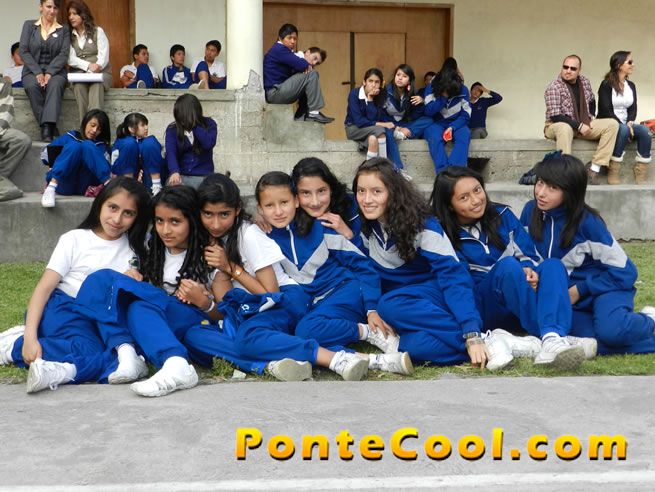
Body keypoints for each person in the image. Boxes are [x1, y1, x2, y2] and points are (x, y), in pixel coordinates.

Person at [430, 166, 593, 370]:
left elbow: (530, 255)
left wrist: (529, 269)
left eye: (477, 190)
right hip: (484, 306)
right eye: (464, 198)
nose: (476, 200)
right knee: (507, 267)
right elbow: (458, 283)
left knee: (552, 265)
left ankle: (552, 338)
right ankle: (555, 336)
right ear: (450, 205)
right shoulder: (440, 233)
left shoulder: (502, 214)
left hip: (520, 297)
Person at [353, 158, 509, 370]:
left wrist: (471, 331)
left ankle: (479, 339)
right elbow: (367, 271)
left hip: (442, 299)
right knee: (413, 347)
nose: (367, 199)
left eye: (376, 191)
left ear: (394, 192)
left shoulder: (422, 224)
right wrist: (371, 309)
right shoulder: (365, 225)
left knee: (390, 305)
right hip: (415, 310)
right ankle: (498, 343)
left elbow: (453, 277)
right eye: (361, 191)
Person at [0, 177, 151, 394]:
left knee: (118, 354)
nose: (117, 219)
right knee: (92, 352)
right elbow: (43, 289)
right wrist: (30, 338)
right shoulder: (75, 239)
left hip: (100, 319)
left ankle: (60, 369)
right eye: (112, 207)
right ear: (100, 203)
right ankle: (13, 346)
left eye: (128, 213)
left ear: (137, 217)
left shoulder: (135, 248)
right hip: (64, 306)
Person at [74, 186, 220, 397]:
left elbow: (223, 313)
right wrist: (133, 277)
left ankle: (172, 362)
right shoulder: (151, 248)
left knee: (130, 300)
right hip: (154, 319)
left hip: (188, 318)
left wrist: (204, 303)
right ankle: (127, 352)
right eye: (159, 221)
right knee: (105, 287)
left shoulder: (210, 255)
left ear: (192, 221)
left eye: (175, 222)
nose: (165, 230)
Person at [520, 152, 655, 355]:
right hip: (564, 296)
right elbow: (523, 254)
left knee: (612, 332)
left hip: (605, 288)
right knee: (583, 337)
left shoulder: (589, 223)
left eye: (552, 188)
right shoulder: (530, 212)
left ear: (571, 191)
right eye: (540, 183)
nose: (541, 193)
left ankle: (649, 320)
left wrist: (580, 289)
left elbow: (626, 272)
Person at [543, 54, 619, 185]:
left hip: (581, 123)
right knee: (564, 127)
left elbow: (592, 100)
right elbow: (555, 116)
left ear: (579, 70)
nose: (568, 71)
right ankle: (565, 174)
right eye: (565, 67)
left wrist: (590, 117)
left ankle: (594, 169)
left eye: (573, 68)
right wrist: (579, 126)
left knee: (612, 124)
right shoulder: (554, 87)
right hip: (555, 126)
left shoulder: (584, 81)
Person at [19, 0, 71, 142]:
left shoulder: (64, 29)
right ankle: (49, 126)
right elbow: (23, 51)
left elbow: (64, 54)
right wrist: (38, 72)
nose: (52, 11)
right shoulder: (29, 25)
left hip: (56, 71)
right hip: (32, 70)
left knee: (55, 84)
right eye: (48, 6)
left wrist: (49, 73)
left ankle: (46, 127)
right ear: (40, 7)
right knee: (32, 86)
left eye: (55, 7)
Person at [597, 51, 651, 185]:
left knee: (645, 132)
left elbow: (633, 108)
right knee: (623, 130)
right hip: (610, 122)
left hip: (627, 123)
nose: (633, 65)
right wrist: (623, 126)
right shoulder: (606, 84)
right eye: (630, 62)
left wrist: (630, 122)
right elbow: (605, 109)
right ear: (619, 65)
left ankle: (641, 170)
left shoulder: (631, 85)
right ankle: (613, 169)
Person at [263, 23, 333, 124]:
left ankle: (302, 115)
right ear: (280, 38)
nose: (293, 41)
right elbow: (301, 64)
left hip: (278, 91)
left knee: (307, 79)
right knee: (312, 74)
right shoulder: (279, 49)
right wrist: (306, 66)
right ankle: (313, 112)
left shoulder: (285, 51)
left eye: (295, 39)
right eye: (289, 38)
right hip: (274, 93)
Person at [41, 109, 111, 208]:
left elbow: (107, 167)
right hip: (64, 183)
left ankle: (111, 188)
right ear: (85, 122)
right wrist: (59, 159)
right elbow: (44, 156)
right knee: (75, 146)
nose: (94, 130)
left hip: (86, 185)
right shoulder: (70, 136)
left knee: (87, 145)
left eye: (99, 129)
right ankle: (50, 189)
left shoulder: (101, 146)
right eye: (92, 125)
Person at [345, 68, 404, 176]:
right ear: (364, 82)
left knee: (373, 140)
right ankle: (385, 169)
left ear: (380, 84)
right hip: (353, 128)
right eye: (370, 81)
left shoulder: (380, 95)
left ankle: (367, 172)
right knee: (381, 131)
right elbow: (359, 121)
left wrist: (370, 99)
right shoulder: (354, 94)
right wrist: (383, 124)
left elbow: (372, 119)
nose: (373, 85)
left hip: (370, 130)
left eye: (377, 82)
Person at [66, 0, 112, 122]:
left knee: (96, 85)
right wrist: (88, 66)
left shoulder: (98, 31)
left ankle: (95, 125)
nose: (71, 17)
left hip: (100, 72)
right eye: (69, 14)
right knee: (78, 87)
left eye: (75, 14)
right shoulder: (68, 36)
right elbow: (70, 58)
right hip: (79, 74)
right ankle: (85, 126)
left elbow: (104, 56)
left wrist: (96, 67)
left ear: (83, 14)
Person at [383, 64, 434, 171]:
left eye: (404, 76)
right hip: (388, 125)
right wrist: (395, 127)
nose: (400, 78)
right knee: (388, 133)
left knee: (429, 120)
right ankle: (398, 168)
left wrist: (422, 102)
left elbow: (415, 116)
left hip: (403, 125)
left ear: (409, 80)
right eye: (398, 75)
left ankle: (402, 135)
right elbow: (379, 115)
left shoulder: (411, 93)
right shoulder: (385, 92)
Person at [423, 62, 472, 172]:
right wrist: (443, 97)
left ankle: (454, 171)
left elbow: (466, 115)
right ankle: (443, 172)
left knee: (465, 134)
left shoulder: (463, 89)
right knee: (434, 136)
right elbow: (428, 111)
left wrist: (452, 127)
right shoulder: (432, 87)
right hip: (436, 123)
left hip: (457, 123)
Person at [164, 93, 217, 188]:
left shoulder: (209, 124)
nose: (180, 119)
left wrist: (195, 125)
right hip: (181, 175)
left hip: (204, 176)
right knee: (172, 189)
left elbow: (208, 144)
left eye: (182, 115)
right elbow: (170, 152)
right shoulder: (172, 129)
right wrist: (174, 171)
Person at [111, 113, 164, 195]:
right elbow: (115, 167)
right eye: (142, 125)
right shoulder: (123, 143)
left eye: (146, 124)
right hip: (124, 181)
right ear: (131, 129)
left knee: (150, 143)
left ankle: (156, 188)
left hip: (148, 183)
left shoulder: (147, 142)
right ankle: (127, 188)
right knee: (130, 144)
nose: (146, 127)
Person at [0, 80, 31, 201]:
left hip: (0, 130)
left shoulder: (3, 84)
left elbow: (6, 114)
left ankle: (2, 177)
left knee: (22, 140)